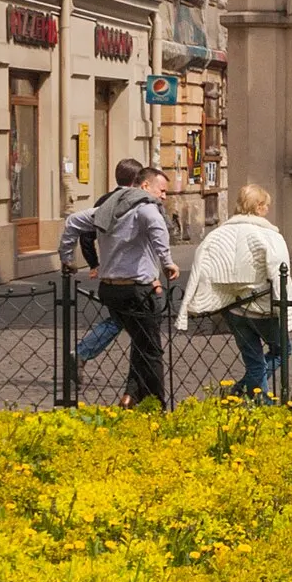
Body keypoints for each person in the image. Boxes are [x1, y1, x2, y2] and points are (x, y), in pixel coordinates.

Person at [174, 182, 292, 398]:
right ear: (258, 207)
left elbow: (199, 270)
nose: (267, 210)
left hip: (233, 309)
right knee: (283, 349)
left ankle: (245, 392)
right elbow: (280, 276)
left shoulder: (217, 235)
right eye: (265, 206)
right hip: (263, 309)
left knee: (253, 360)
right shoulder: (269, 236)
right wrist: (287, 313)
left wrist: (191, 306)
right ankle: (255, 401)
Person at [85, 167, 178, 408]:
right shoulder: (146, 208)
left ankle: (131, 395)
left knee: (141, 341)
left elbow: (77, 224)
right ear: (145, 185)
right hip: (137, 287)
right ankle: (156, 405)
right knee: (151, 349)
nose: (165, 196)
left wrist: (89, 261)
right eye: (163, 190)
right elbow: (158, 230)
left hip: (113, 286)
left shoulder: (108, 203)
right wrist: (167, 264)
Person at [56, 156, 147, 375]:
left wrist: (90, 262)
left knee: (122, 320)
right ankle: (82, 354)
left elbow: (86, 235)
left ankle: (82, 355)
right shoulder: (137, 201)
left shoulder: (104, 200)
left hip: (110, 273)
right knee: (131, 323)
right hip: (130, 275)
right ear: (137, 180)